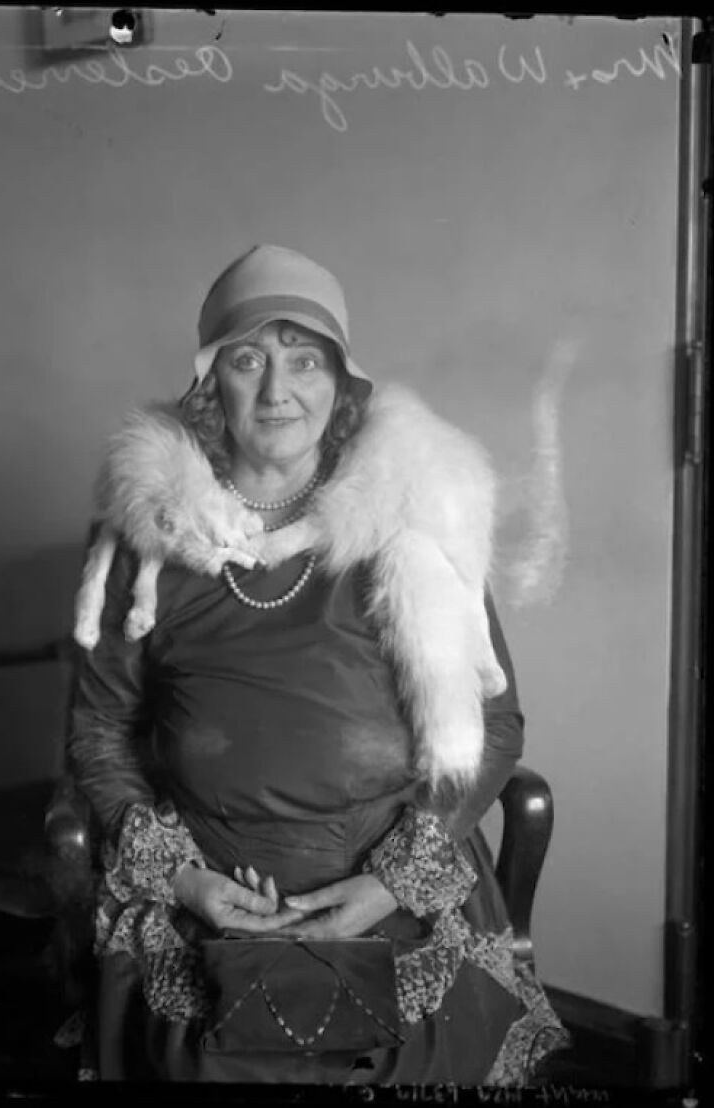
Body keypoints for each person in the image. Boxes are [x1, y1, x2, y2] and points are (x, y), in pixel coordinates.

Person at [66, 244, 568, 1084]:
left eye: (305, 361)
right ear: (207, 383)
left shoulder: (414, 525)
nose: (277, 389)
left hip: (389, 883)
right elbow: (101, 727)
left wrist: (391, 885)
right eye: (247, 359)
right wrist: (184, 878)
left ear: (341, 387)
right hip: (205, 885)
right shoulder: (148, 543)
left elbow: (496, 725)